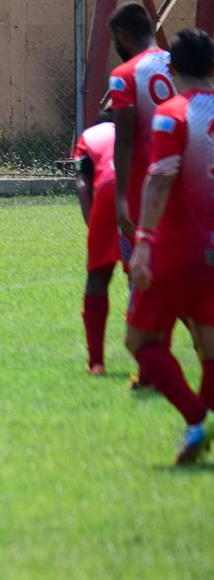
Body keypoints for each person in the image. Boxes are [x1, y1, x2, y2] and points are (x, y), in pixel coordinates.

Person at [125, 28, 214, 465]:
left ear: (173, 69)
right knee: (211, 348)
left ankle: (198, 417)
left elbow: (160, 180)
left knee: (140, 341)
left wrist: (142, 243)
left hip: (179, 250)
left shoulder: (171, 115)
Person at [107, 2, 176, 390]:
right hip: (188, 187)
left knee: (142, 275)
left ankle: (150, 369)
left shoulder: (123, 75)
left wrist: (119, 200)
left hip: (145, 191)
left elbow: (126, 139)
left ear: (122, 36)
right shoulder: (178, 63)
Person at [73, 111, 119, 375]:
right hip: (137, 191)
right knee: (147, 279)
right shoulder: (141, 127)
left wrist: (93, 223)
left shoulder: (89, 136)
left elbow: (82, 183)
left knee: (98, 276)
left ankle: (96, 361)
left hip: (106, 192)